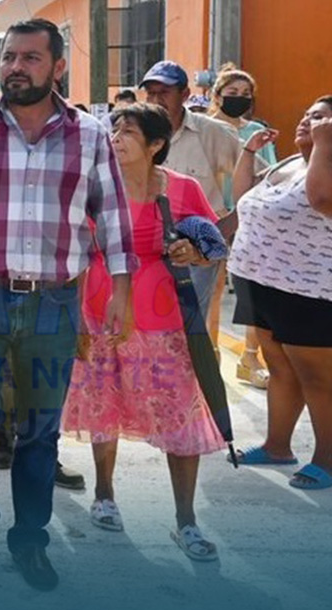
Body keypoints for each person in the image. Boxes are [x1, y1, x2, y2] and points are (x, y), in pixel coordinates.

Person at [0, 18, 136, 591]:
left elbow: (112, 213)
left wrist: (120, 288)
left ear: (57, 67)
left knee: (41, 432)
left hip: (54, 305)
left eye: (30, 57)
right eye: (8, 56)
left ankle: (30, 539)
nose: (16, 67)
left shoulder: (90, 134)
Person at [62, 103, 227, 560]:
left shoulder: (181, 189)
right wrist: (74, 320)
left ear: (156, 145)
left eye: (128, 130)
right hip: (100, 317)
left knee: (179, 416)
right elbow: (75, 257)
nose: (116, 136)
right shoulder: (92, 191)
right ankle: (104, 494)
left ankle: (186, 522)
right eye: (113, 128)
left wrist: (192, 252)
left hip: (164, 321)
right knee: (103, 407)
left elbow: (213, 244)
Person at [227, 96, 332, 491]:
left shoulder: (326, 164)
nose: (308, 120)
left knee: (318, 378)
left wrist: (324, 145)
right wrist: (248, 154)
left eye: (320, 117)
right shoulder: (289, 162)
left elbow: (322, 201)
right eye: (307, 114)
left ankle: (327, 458)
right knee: (280, 369)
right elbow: (245, 200)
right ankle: (277, 446)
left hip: (309, 290)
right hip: (260, 282)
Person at [141, 61, 241, 349]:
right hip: (145, 252)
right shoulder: (138, 132)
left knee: (187, 335)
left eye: (164, 92)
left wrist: (223, 229)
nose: (156, 100)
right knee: (146, 334)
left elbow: (258, 179)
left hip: (195, 252)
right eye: (151, 93)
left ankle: (193, 391)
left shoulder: (215, 134)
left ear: (185, 95)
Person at [207, 65, 278, 391]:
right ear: (217, 95)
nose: (238, 100)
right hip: (214, 217)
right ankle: (209, 354)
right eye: (231, 94)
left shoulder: (257, 132)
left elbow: (269, 174)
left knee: (253, 290)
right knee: (214, 288)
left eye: (245, 96)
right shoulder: (205, 129)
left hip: (252, 218)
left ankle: (250, 358)